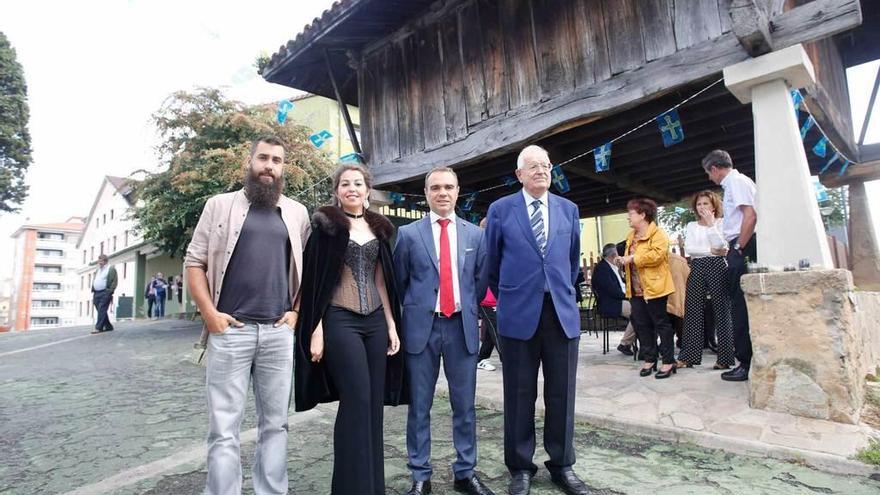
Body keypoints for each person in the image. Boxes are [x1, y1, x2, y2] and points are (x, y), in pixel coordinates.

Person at [184, 136, 310, 495]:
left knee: (276, 424)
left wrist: (297, 312)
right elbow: (194, 262)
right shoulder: (218, 205)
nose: (269, 166)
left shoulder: (297, 212)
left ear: (283, 168)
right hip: (230, 330)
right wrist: (210, 315)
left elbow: (307, 270)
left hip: (277, 333)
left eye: (277, 161)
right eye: (263, 158)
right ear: (250, 161)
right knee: (224, 427)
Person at [484, 145, 590, 495]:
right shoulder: (501, 210)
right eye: (533, 167)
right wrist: (513, 295)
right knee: (519, 393)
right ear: (519, 175)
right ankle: (520, 467)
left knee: (562, 393)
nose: (541, 171)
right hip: (518, 313)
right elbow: (492, 265)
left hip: (560, 312)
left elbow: (572, 263)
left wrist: (556, 290)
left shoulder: (569, 209)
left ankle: (562, 465)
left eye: (546, 165)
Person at [294, 163, 405, 495]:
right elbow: (316, 282)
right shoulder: (326, 228)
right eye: (345, 184)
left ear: (368, 190)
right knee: (355, 399)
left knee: (372, 403)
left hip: (374, 321)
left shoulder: (379, 228)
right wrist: (315, 329)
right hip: (340, 320)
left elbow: (382, 281)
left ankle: (372, 487)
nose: (352, 188)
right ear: (337, 190)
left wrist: (391, 325)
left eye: (358, 183)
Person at [393, 167, 493, 495]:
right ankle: (420, 474)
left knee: (464, 406)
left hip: (461, 327)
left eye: (448, 187)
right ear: (426, 193)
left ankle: (465, 472)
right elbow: (400, 282)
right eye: (435, 187)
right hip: (421, 329)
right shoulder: (408, 235)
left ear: (458, 191)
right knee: (419, 406)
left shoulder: (475, 236)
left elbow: (479, 283)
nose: (442, 193)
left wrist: (463, 308)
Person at [702, 150, 757, 382]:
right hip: (737, 245)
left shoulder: (735, 181)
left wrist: (739, 247)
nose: (709, 178)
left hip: (742, 246)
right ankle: (746, 359)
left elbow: (750, 216)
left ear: (715, 168)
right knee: (739, 304)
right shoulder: (738, 182)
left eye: (708, 173)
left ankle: (745, 363)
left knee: (739, 306)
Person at [617, 198, 677, 379]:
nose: (628, 217)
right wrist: (623, 261)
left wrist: (632, 258)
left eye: (631, 213)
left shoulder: (658, 234)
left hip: (655, 287)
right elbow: (631, 258)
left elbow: (657, 255)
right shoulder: (630, 236)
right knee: (642, 325)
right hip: (635, 289)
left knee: (661, 324)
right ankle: (650, 359)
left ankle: (668, 361)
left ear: (643, 215)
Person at [677, 190, 734, 370]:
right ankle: (688, 356)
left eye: (706, 204)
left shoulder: (722, 223)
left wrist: (711, 226)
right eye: (699, 204)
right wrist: (712, 250)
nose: (702, 207)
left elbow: (722, 247)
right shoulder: (692, 226)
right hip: (698, 266)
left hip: (718, 266)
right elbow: (691, 249)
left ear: (714, 205)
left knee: (722, 310)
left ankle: (724, 358)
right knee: (692, 310)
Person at [591, 243, 636, 356]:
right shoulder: (602, 269)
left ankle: (642, 344)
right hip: (611, 304)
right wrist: (630, 296)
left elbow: (621, 285)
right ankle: (625, 344)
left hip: (619, 300)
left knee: (643, 310)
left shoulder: (611, 267)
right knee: (640, 313)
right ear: (614, 255)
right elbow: (613, 291)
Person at [477, 218, 499, 372]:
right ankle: (509, 359)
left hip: (495, 296)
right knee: (497, 329)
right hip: (487, 298)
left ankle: (481, 358)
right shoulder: (483, 246)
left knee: (492, 331)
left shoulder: (496, 247)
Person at [91, 254, 117, 334]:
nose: (100, 263)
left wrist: (110, 291)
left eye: (101, 261)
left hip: (105, 292)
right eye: (99, 261)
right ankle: (108, 326)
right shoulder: (98, 270)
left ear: (106, 261)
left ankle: (98, 328)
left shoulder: (111, 269)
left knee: (102, 308)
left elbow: (114, 281)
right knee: (100, 309)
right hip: (96, 292)